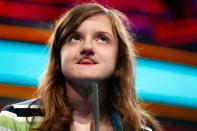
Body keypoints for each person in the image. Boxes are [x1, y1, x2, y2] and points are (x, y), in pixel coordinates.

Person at [0, 3, 162, 131]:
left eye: (102, 39)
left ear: (119, 58)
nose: (87, 47)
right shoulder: (14, 120)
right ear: (58, 55)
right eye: (75, 38)